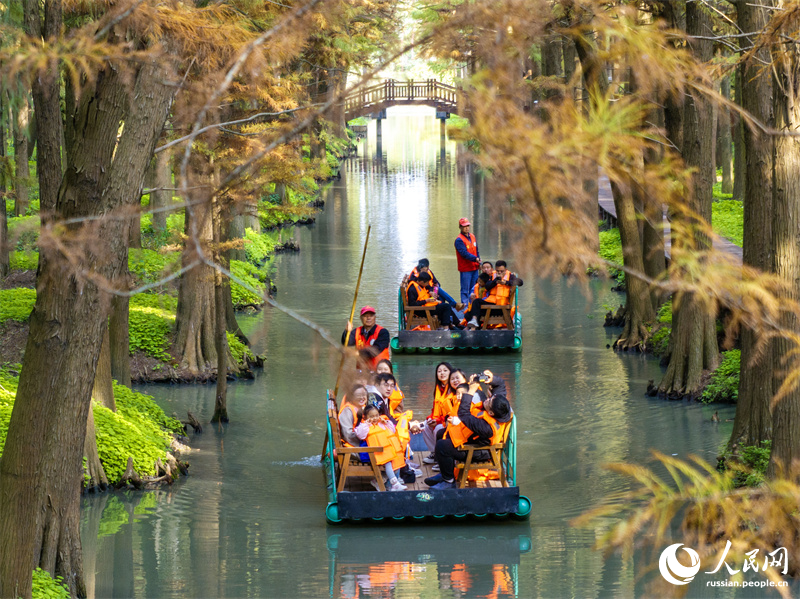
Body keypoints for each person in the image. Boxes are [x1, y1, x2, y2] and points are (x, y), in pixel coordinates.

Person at [426, 376, 513, 490]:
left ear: (491, 412)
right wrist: (491, 378)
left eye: (489, 401)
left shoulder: (486, 427)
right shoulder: (498, 404)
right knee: (441, 433)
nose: (487, 399)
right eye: (491, 398)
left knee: (442, 446)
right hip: (474, 439)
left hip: (479, 452)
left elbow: (463, 414)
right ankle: (445, 474)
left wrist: (471, 391)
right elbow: (500, 385)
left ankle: (448, 481)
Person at [361, 404, 408, 491]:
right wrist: (365, 425)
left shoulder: (381, 424)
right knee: (388, 462)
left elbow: (392, 431)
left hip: (386, 451)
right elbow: (360, 435)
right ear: (365, 417)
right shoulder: (365, 426)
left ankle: (385, 483)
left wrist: (386, 423)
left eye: (376, 415)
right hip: (374, 453)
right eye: (371, 416)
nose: (375, 418)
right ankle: (395, 484)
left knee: (397, 460)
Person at [421, 362, 455, 458]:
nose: (442, 373)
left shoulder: (453, 389)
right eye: (439, 371)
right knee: (426, 426)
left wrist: (438, 421)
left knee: (438, 429)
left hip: (449, 421)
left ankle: (440, 456)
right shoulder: (439, 389)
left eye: (445, 371)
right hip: (439, 420)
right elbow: (435, 409)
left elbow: (452, 412)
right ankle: (434, 453)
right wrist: (430, 419)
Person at [342, 306, 391, 371]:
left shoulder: (383, 332)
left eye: (371, 315)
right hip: (362, 371)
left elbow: (375, 350)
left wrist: (357, 353)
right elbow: (346, 343)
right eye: (365, 316)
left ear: (375, 317)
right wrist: (346, 331)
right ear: (361, 318)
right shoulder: (356, 331)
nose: (368, 318)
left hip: (379, 371)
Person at [455, 218, 481, 305]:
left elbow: (476, 250)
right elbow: (464, 254)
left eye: (467, 226)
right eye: (464, 226)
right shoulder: (459, 240)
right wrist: (475, 259)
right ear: (460, 227)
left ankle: (472, 305)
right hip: (466, 269)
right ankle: (465, 306)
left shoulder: (473, 236)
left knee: (474, 288)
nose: (466, 228)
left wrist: (479, 261)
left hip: (474, 267)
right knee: (465, 289)